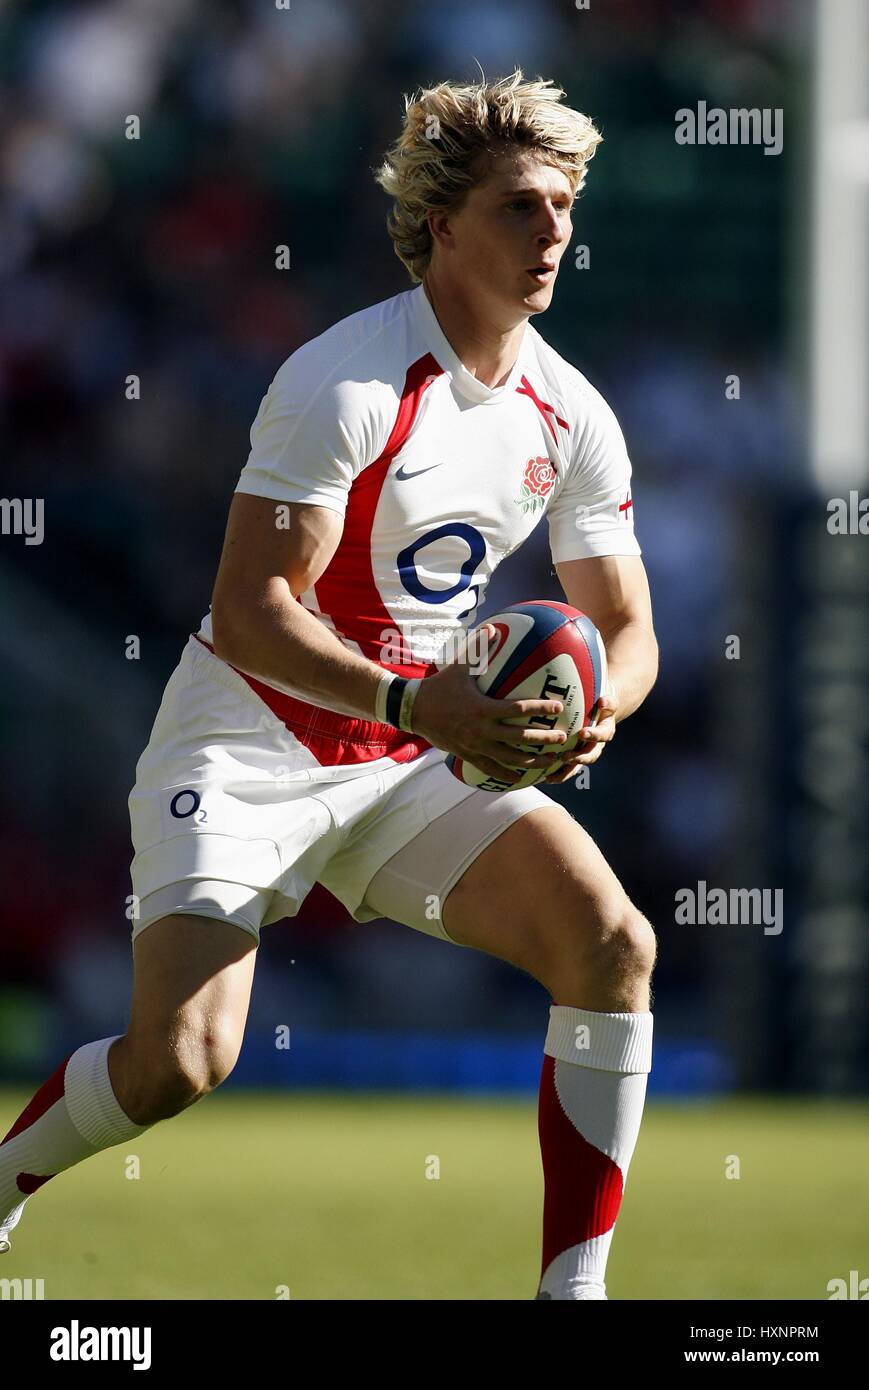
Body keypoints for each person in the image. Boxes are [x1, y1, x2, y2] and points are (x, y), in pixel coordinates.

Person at [0, 68, 658, 1300]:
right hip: (250, 741)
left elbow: (627, 627)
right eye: (523, 206)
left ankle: (574, 1294)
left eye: (565, 206)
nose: (554, 233)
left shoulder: (569, 411)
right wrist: (418, 704)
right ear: (442, 222)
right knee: (179, 1062)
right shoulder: (343, 379)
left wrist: (596, 708)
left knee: (611, 943)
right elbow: (252, 608)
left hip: (411, 757)